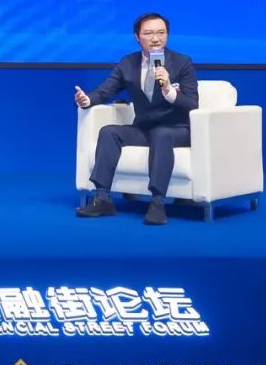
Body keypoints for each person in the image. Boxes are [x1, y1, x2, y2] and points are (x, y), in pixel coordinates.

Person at [74, 13, 199, 226]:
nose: (155, 38)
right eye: (148, 33)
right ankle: (102, 198)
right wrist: (86, 100)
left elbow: (192, 103)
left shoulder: (182, 62)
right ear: (137, 37)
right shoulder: (128, 63)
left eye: (161, 33)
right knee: (109, 132)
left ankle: (157, 203)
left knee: (161, 134)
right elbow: (105, 91)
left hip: (177, 129)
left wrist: (169, 91)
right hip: (144, 129)